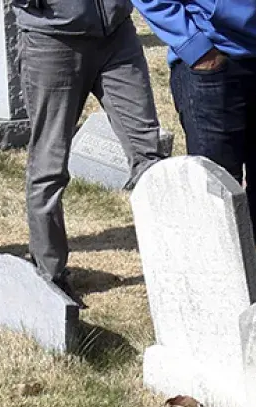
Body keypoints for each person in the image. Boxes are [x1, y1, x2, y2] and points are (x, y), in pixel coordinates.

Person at [13, 0, 166, 304]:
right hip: (52, 38)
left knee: (150, 156)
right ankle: (50, 275)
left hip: (117, 34)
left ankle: (173, 268)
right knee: (50, 165)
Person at [132, 0, 256, 246]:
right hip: (210, 61)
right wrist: (197, 49)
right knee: (216, 195)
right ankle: (208, 274)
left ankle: (226, 267)